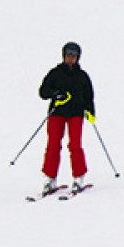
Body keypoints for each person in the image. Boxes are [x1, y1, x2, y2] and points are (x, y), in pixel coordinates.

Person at [38, 42, 95, 195]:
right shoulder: (55, 73)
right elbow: (43, 92)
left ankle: (78, 177)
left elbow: (89, 96)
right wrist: (56, 94)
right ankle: (50, 178)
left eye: (74, 56)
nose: (70, 59)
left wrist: (90, 112)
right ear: (63, 56)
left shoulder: (82, 76)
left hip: (76, 113)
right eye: (68, 55)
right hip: (57, 113)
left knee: (75, 144)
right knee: (53, 145)